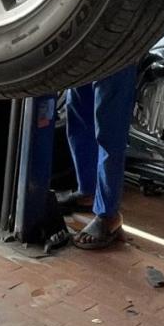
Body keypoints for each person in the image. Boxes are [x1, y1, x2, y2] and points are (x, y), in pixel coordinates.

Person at [65, 65, 140, 249]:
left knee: (109, 123)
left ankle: (108, 214)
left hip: (118, 51)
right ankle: (88, 190)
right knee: (78, 106)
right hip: (84, 49)